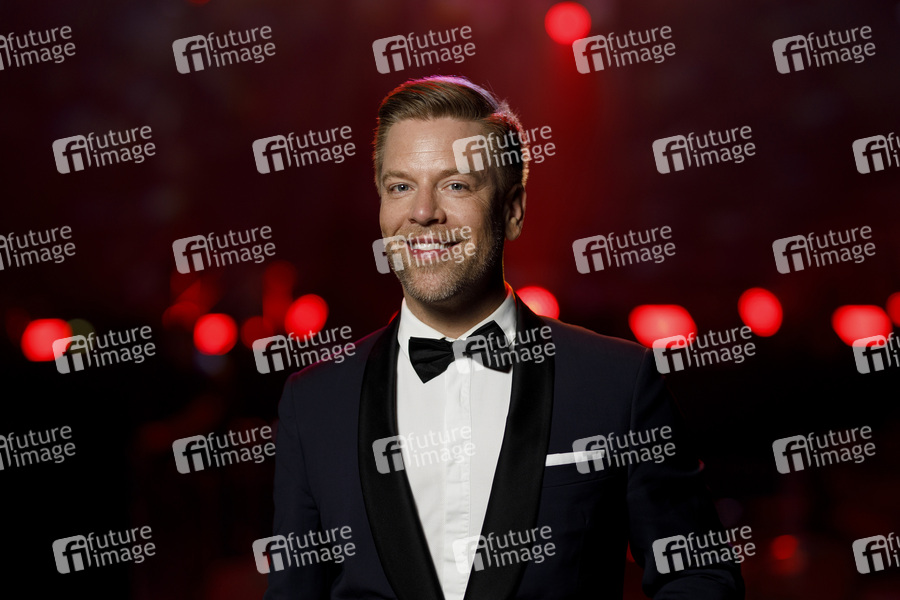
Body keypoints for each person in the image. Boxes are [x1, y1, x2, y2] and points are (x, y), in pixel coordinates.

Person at [263, 75, 745, 599]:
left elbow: (701, 576)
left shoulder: (617, 383)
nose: (423, 212)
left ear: (512, 211)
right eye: (400, 186)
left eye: (456, 185)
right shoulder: (313, 402)